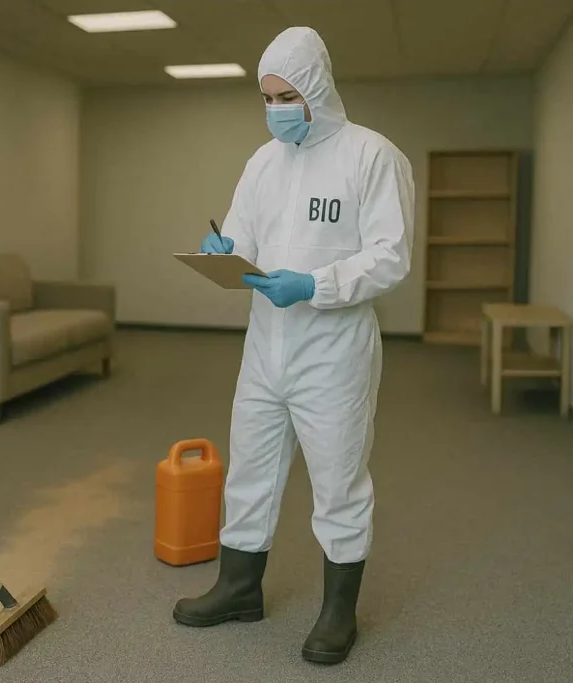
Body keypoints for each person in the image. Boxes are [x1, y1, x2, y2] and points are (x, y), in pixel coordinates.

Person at [173, 26, 414, 665]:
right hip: (265, 347)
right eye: (267, 97)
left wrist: (316, 283)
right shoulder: (263, 162)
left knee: (338, 481)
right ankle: (238, 587)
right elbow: (245, 233)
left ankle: (339, 612)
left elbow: (391, 258)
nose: (275, 109)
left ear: (316, 91)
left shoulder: (372, 156)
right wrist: (223, 250)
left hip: (334, 352)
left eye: (285, 96)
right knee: (250, 469)